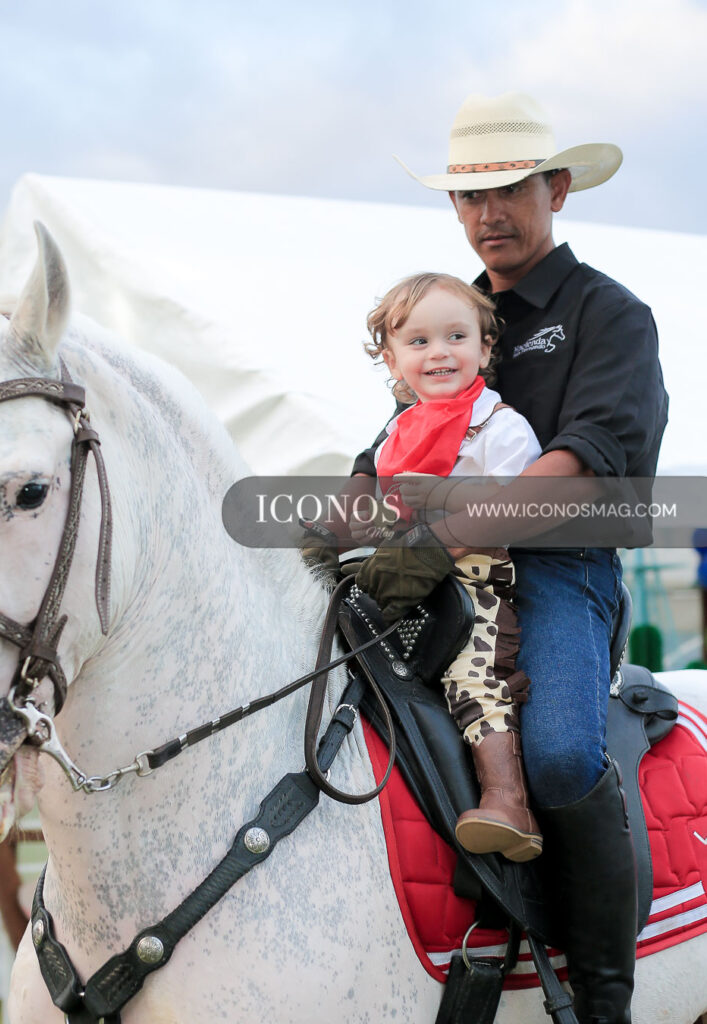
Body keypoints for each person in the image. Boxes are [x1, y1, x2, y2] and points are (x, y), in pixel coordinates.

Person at [350, 93, 668, 1024]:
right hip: (437, 570)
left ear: (556, 189)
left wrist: (441, 536)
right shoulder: (441, 317)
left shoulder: (612, 315)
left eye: (510, 188)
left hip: (561, 574)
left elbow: (582, 469)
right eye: (467, 194)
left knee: (563, 754)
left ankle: (604, 994)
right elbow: (387, 447)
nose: (487, 212)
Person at [357, 269, 543, 861]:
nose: (439, 352)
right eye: (417, 342)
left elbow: (511, 507)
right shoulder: (394, 437)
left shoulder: (500, 427)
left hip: (475, 587)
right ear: (390, 361)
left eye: (456, 337)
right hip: (409, 585)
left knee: (474, 677)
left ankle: (509, 801)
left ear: (485, 349)